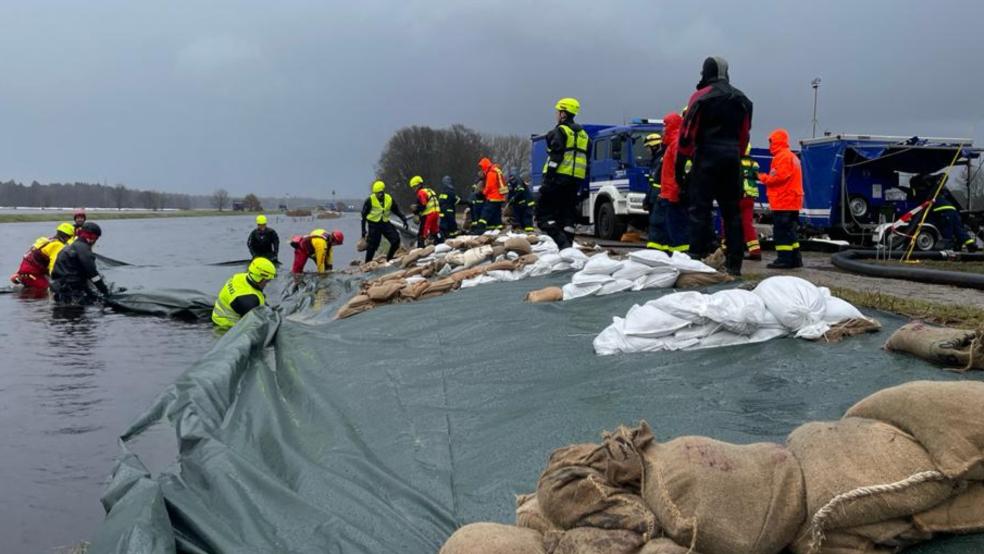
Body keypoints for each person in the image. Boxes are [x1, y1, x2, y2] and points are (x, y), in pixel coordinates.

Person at [678, 56, 753, 275]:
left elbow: (687, 133)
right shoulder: (743, 100)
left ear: (706, 72)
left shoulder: (700, 97)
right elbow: (744, 135)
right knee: (732, 212)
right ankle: (735, 263)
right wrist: (736, 155)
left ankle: (697, 257)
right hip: (731, 158)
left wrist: (681, 165)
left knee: (699, 209)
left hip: (707, 155)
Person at [537, 97, 590, 249]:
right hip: (575, 182)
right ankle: (567, 249)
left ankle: (562, 244)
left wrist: (547, 181)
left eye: (558, 112)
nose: (556, 114)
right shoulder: (584, 135)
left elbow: (556, 157)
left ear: (563, 114)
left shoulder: (560, 131)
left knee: (543, 216)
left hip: (557, 180)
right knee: (567, 217)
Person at [757, 128, 804, 268]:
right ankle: (795, 259)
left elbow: (778, 178)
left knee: (782, 232)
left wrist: (761, 177)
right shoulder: (792, 156)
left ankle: (784, 260)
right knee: (791, 232)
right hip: (792, 201)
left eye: (771, 142)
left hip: (784, 201)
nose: (769, 145)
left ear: (777, 142)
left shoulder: (782, 157)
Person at [909, 173, 978, 252]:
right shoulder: (936, 191)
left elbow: (919, 209)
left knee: (946, 233)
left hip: (942, 211)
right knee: (958, 229)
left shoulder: (923, 193)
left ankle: (948, 250)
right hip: (952, 209)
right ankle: (970, 244)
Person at [50, 221, 112, 303]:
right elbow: (92, 273)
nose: (95, 242)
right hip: (71, 292)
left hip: (60, 289)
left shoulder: (72, 246)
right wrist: (105, 291)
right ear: (91, 237)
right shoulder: (83, 249)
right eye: (96, 238)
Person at [211, 257, 277, 329]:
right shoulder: (248, 300)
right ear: (259, 278)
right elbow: (254, 326)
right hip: (227, 327)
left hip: (218, 316)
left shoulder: (239, 277)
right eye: (266, 281)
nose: (267, 284)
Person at [10, 222, 75, 291]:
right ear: (66, 236)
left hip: (26, 269)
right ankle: (25, 282)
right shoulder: (58, 245)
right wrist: (56, 280)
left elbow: (29, 253)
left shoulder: (46, 240)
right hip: (32, 273)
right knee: (47, 290)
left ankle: (20, 277)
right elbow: (53, 265)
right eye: (70, 237)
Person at [658, 113, 690, 252]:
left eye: (665, 126)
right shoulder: (672, 143)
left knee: (676, 228)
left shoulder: (676, 143)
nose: (662, 129)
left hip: (674, 194)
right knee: (671, 228)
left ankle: (680, 255)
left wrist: (677, 190)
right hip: (669, 193)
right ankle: (674, 254)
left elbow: (680, 169)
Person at [361, 180, 408, 262]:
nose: (378, 195)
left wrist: (403, 219)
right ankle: (367, 263)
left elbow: (396, 210)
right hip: (373, 224)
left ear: (383, 192)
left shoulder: (389, 199)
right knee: (372, 245)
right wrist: (363, 230)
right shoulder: (369, 201)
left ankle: (389, 259)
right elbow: (364, 216)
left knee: (396, 240)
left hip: (385, 223)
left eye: (380, 193)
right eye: (376, 193)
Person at [642, 133, 666, 250]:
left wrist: (650, 198)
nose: (648, 151)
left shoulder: (660, 160)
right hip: (654, 196)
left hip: (658, 197)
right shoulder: (656, 159)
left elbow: (657, 182)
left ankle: (655, 249)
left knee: (657, 223)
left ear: (655, 147)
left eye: (649, 148)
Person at [739, 144, 763, 260]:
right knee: (747, 224)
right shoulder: (754, 163)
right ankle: (755, 251)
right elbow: (757, 176)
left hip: (737, 195)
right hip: (749, 197)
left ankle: (728, 249)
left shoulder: (734, 160)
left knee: (729, 223)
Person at [475, 158, 507, 232]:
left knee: (485, 213)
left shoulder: (491, 172)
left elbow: (489, 186)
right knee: (496, 214)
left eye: (482, 166)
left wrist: (483, 193)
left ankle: (480, 229)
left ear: (485, 165)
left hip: (493, 197)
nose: (481, 169)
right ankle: (498, 228)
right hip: (499, 197)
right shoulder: (495, 171)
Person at [409, 175, 441, 246]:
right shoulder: (429, 190)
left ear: (418, 185)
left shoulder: (421, 192)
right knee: (434, 231)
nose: (413, 189)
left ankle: (421, 247)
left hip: (429, 214)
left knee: (422, 233)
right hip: (436, 213)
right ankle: (440, 243)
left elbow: (423, 205)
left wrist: (416, 209)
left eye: (414, 187)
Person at [507, 167, 535, 232]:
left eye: (512, 180)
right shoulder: (511, 184)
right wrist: (509, 200)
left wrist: (514, 198)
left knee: (527, 216)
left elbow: (520, 191)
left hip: (527, 202)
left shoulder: (519, 182)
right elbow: (510, 193)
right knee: (519, 216)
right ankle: (522, 227)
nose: (512, 181)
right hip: (521, 203)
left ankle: (529, 230)